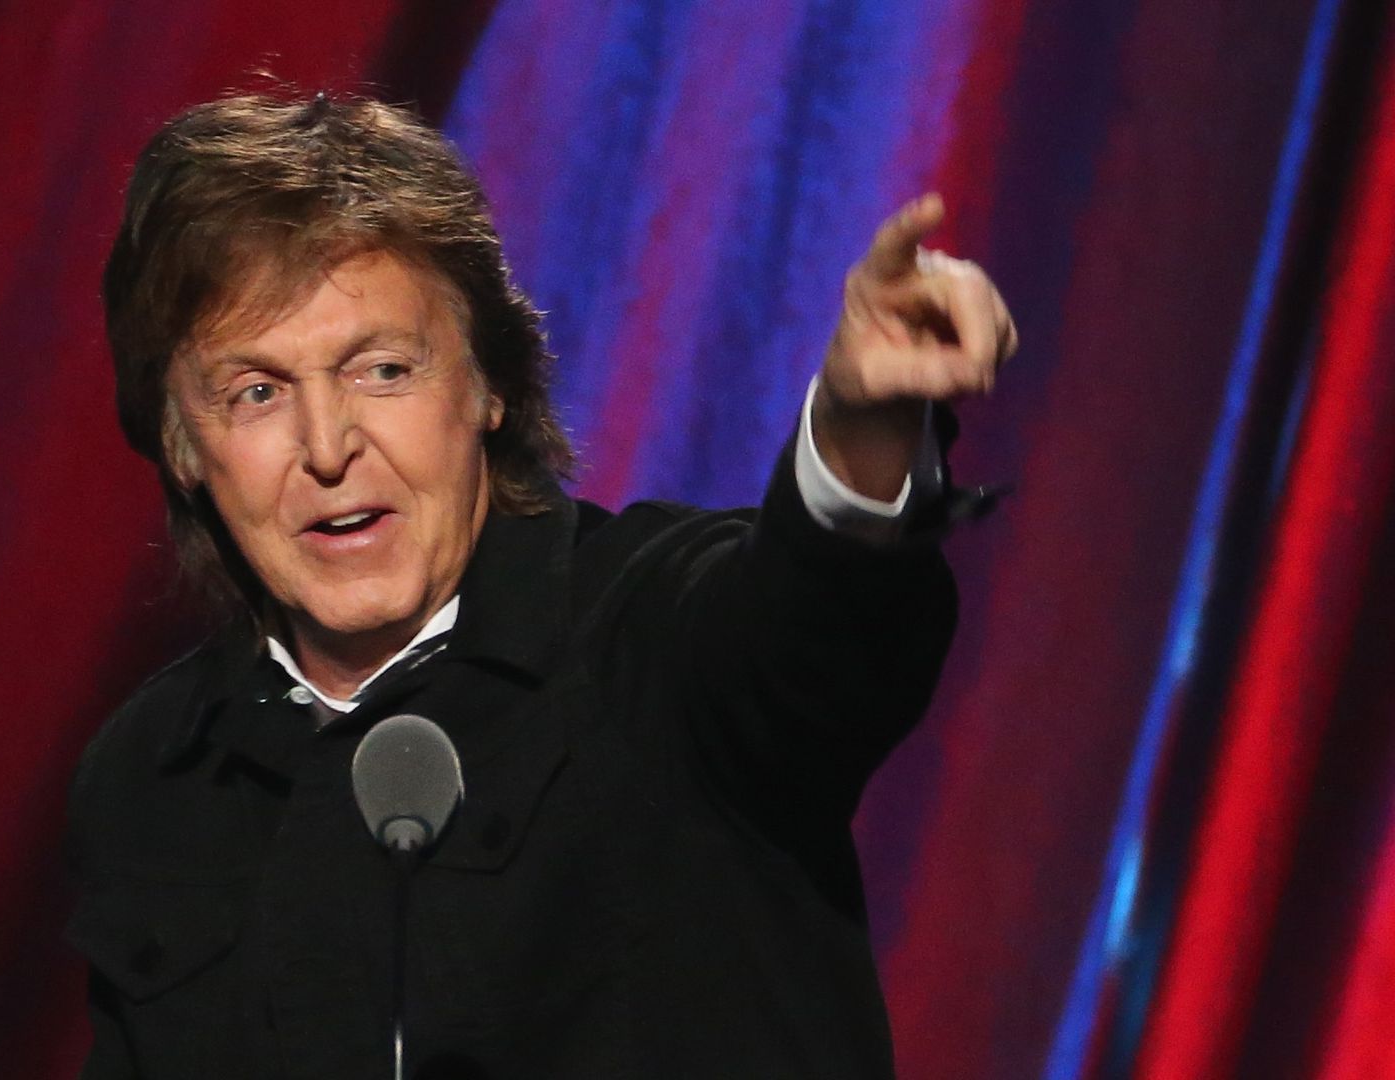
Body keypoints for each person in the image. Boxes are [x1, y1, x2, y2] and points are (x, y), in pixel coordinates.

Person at [67, 92, 1017, 1079]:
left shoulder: (653, 636)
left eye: (382, 370)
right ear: (182, 445)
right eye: (256, 393)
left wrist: (863, 432)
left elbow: (813, 632)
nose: (327, 448)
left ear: (488, 384)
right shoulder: (149, 775)